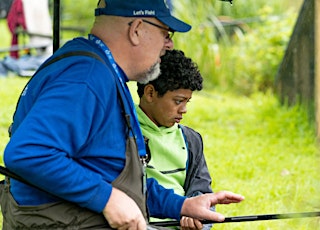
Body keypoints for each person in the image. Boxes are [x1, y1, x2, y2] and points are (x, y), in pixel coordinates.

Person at [1, 0, 244, 229]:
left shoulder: (100, 71)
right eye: (165, 33)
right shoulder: (86, 78)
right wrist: (108, 199)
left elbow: (108, 170)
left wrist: (182, 205)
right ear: (137, 29)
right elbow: (28, 152)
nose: (169, 44)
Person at [137, 49, 213, 229]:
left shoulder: (191, 139)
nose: (184, 109)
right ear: (150, 93)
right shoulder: (122, 132)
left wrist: (196, 218)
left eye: (188, 101)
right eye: (178, 101)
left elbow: (201, 190)